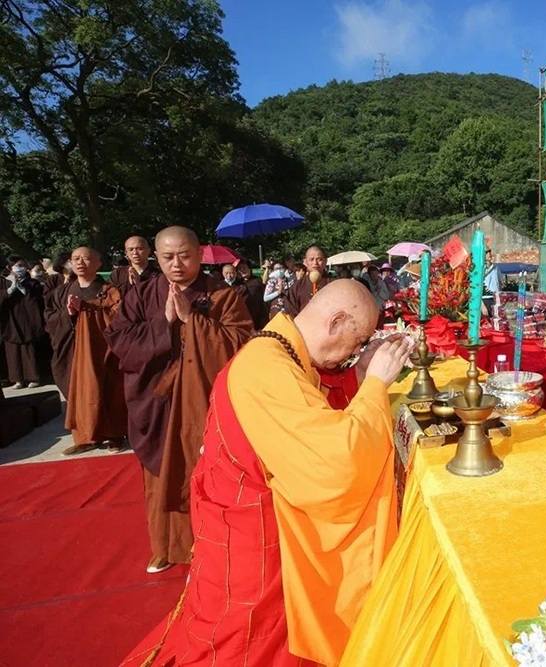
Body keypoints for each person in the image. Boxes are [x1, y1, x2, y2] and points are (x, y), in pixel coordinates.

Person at [121, 280, 410, 666]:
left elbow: (311, 408)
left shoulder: (281, 350)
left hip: (247, 518)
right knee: (247, 644)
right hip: (251, 542)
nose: (352, 353)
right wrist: (375, 384)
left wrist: (357, 371)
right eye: (355, 342)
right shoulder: (265, 367)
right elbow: (335, 463)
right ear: (336, 321)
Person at [106, 226, 253, 574]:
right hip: (156, 402)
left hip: (201, 403)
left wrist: (192, 320)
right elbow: (119, 342)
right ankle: (165, 547)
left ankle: (209, 544)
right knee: (160, 478)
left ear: (199, 255)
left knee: (203, 472)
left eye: (185, 255)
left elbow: (241, 344)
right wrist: (164, 322)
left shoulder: (223, 296)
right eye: (168, 256)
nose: (177, 263)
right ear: (156, 257)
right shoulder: (141, 296)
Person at [45, 247, 127, 455]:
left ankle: (114, 435)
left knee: (107, 390)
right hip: (71, 349)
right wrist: (69, 313)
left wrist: (89, 311)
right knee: (79, 393)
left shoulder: (109, 290)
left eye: (86, 258)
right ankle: (85, 436)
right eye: (75, 258)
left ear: (99, 264)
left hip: (100, 350)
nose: (80, 262)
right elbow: (49, 318)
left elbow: (117, 316)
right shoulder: (62, 291)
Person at [0, 260, 47, 389]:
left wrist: (22, 288)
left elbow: (35, 300)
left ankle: (33, 377)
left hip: (27, 320)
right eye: (16, 266)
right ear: (10, 267)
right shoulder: (3, 282)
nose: (19, 268)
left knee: (28, 349)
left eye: (21, 266)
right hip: (10, 321)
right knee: (12, 351)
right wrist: (9, 291)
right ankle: (17, 380)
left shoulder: (33, 283)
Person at [284, 246, 332, 316]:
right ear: (305, 262)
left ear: (325, 261)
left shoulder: (334, 284)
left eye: (319, 259)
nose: (315, 263)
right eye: (311, 259)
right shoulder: (297, 287)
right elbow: (290, 311)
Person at [237, 261, 268, 329]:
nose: (242, 270)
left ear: (249, 269)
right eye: (240, 268)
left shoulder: (257, 280)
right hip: (244, 315)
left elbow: (265, 291)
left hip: (259, 313)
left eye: (244, 268)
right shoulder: (237, 284)